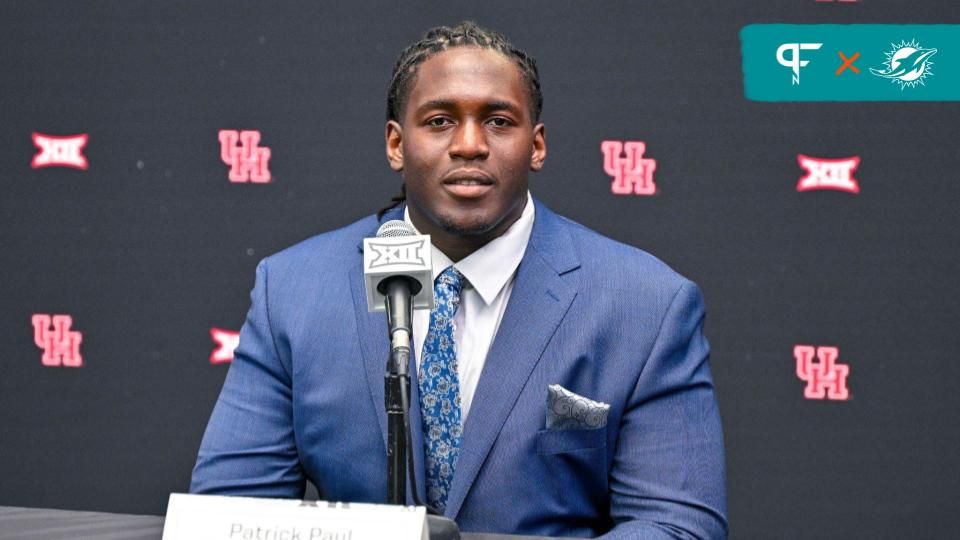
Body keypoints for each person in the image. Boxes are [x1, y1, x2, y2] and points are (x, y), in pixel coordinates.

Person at [191, 22, 727, 539]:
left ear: (537, 146)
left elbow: (677, 526)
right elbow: (227, 514)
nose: (469, 144)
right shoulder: (294, 289)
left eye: (498, 121)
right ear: (396, 145)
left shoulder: (646, 304)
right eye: (440, 120)